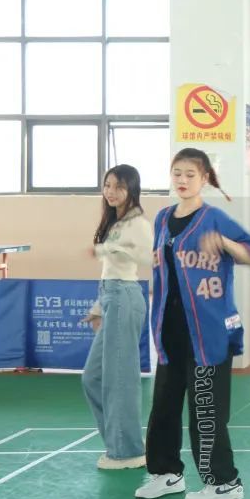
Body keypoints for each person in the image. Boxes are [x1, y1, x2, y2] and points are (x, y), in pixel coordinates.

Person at [134, 148, 250, 499]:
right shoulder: (162, 219)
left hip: (209, 333)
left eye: (190, 174)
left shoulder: (215, 218)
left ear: (204, 179)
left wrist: (224, 243)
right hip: (169, 331)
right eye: (177, 173)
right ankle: (166, 474)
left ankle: (224, 482)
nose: (182, 180)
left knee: (205, 409)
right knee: (163, 407)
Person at [82, 164, 152, 470]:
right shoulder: (117, 222)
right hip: (112, 297)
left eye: (118, 187)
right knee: (93, 377)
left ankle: (127, 452)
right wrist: (99, 307)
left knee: (119, 379)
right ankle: (121, 440)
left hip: (125, 297)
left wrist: (111, 249)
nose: (111, 192)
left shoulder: (138, 223)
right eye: (107, 185)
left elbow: (148, 257)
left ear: (131, 189)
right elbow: (111, 268)